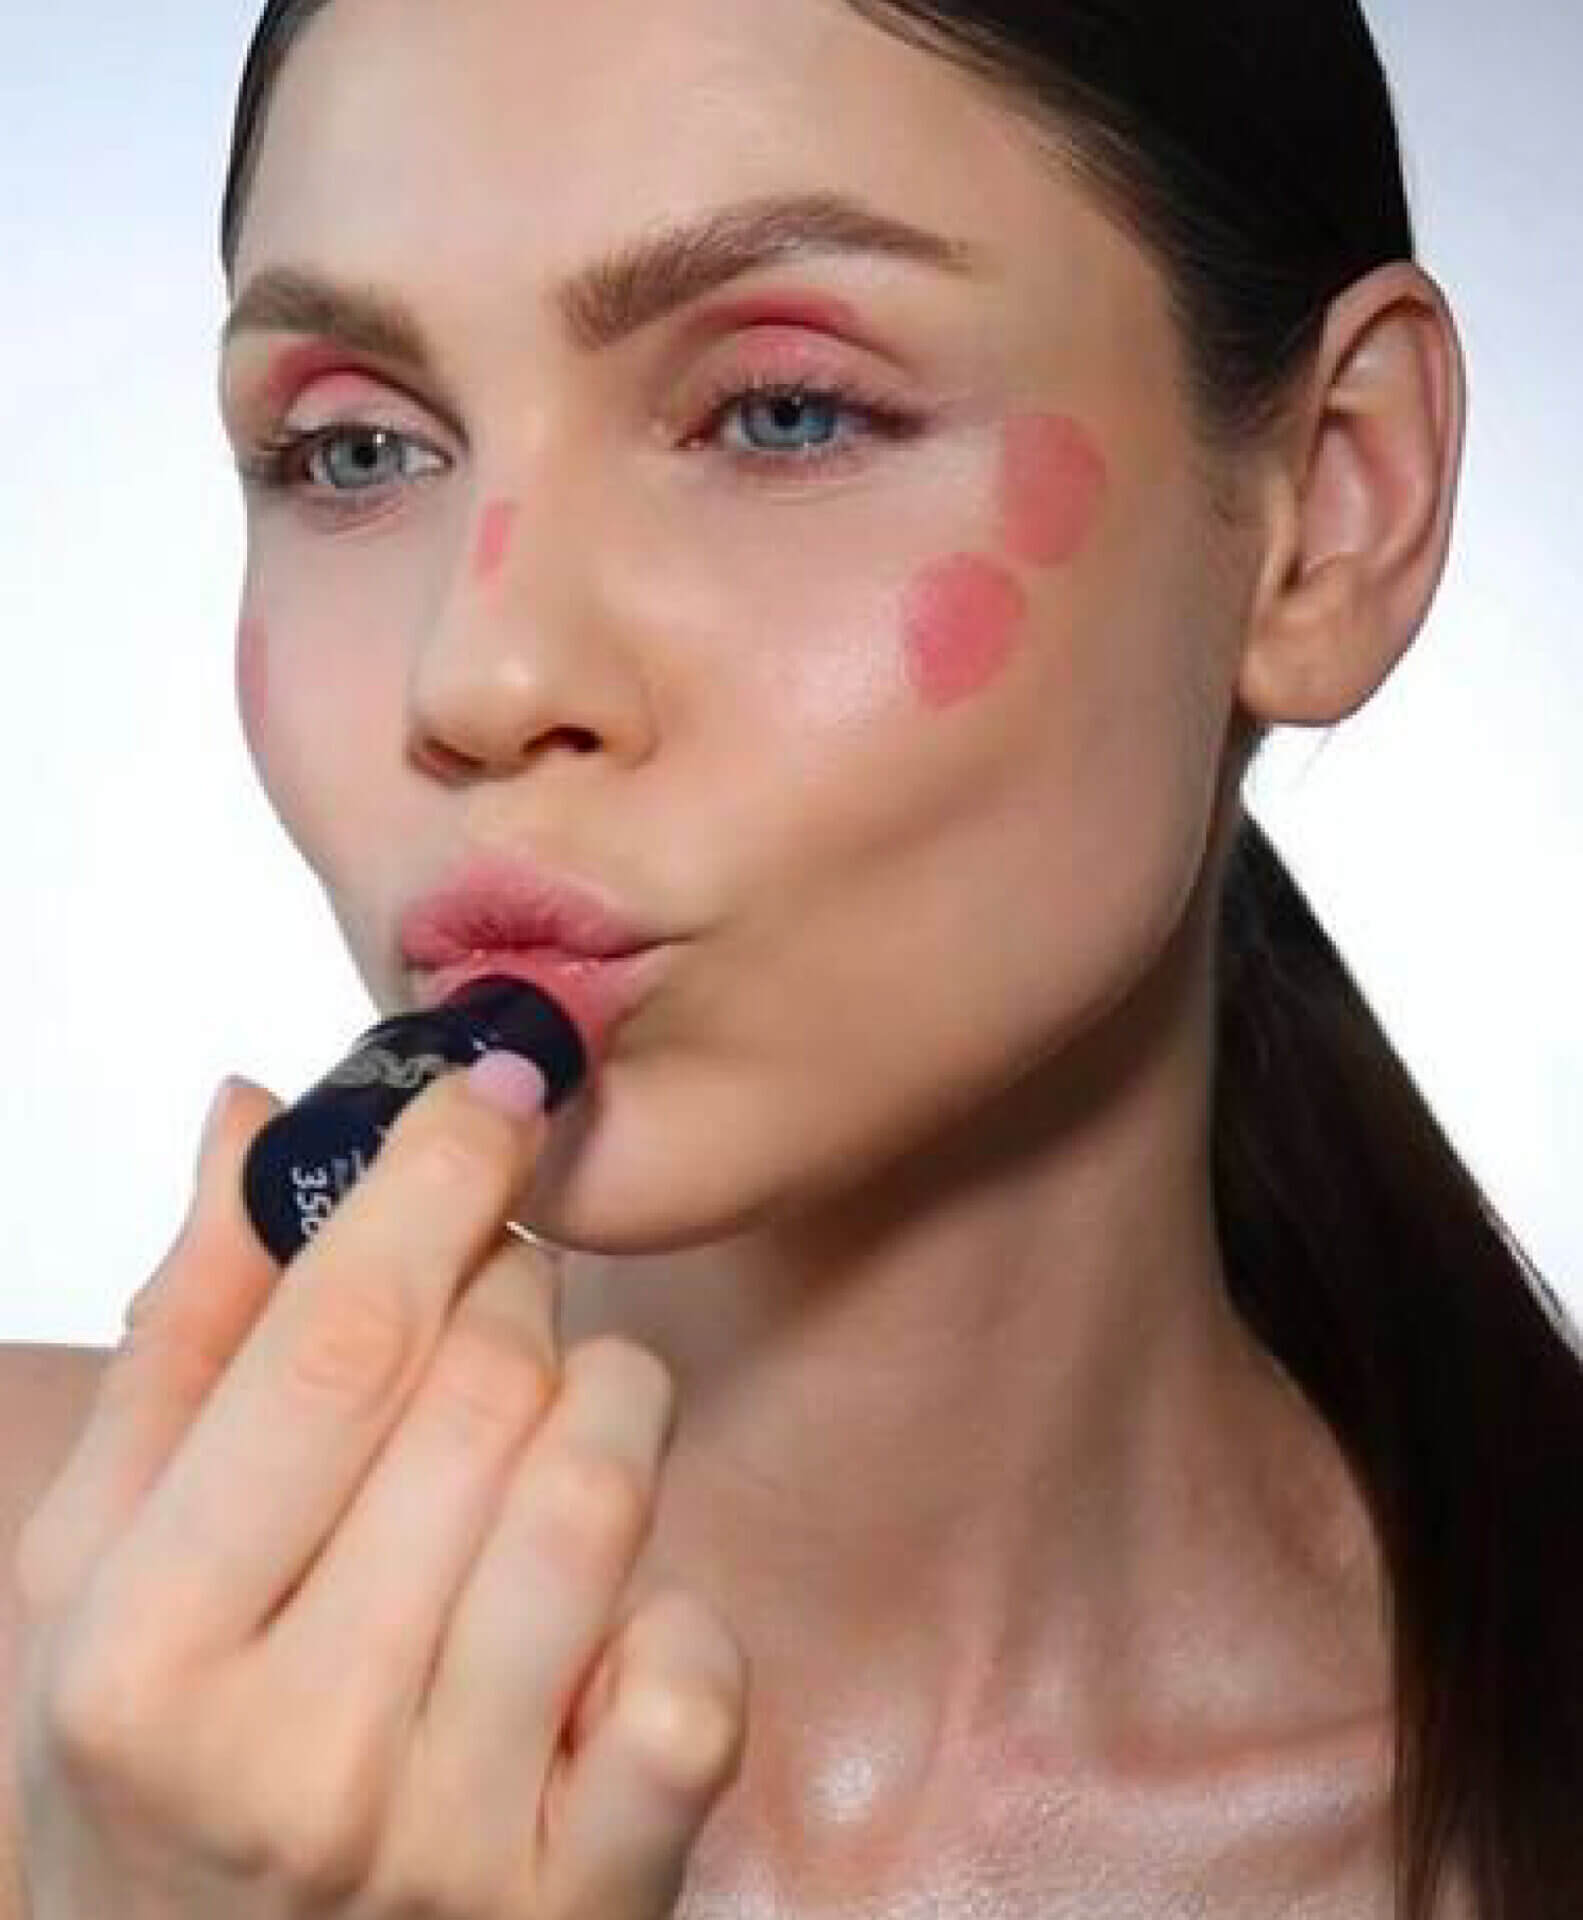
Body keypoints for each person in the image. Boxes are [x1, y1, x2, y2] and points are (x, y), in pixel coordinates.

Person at [3, 0, 1579, 1914]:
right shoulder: (53, 1663)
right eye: (353, 450)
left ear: (1332, 504)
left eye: (783, 413)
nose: (480, 675)